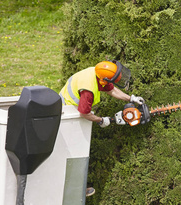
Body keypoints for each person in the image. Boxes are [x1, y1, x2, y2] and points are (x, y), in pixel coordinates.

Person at [59, 60, 144, 197]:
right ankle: (75, 188)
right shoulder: (88, 90)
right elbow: (84, 113)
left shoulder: (97, 72)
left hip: (71, 109)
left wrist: (131, 98)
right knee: (75, 152)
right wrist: (100, 120)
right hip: (67, 115)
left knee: (76, 150)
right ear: (104, 79)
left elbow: (111, 89)